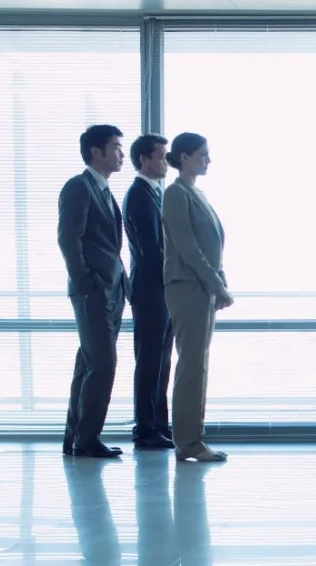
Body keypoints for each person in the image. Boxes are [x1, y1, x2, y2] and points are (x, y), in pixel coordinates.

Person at [57, 124, 129, 458]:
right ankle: (87, 439)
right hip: (94, 291)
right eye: (116, 147)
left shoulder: (103, 190)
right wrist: (86, 283)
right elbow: (68, 238)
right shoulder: (79, 187)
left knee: (88, 364)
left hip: (112, 291)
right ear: (95, 152)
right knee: (102, 365)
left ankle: (76, 438)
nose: (121, 154)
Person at [162, 132, 232, 462]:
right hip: (187, 285)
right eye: (203, 154)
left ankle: (191, 439)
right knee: (192, 365)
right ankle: (188, 441)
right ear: (185, 157)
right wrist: (215, 284)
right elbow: (187, 246)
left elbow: (210, 244)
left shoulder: (195, 193)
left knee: (198, 363)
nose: (208, 160)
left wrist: (219, 280)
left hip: (200, 286)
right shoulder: (175, 193)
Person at [123, 133, 175, 450]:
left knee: (161, 361)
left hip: (159, 289)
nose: (166, 162)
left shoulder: (153, 193)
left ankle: (158, 425)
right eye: (161, 156)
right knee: (150, 361)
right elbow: (151, 250)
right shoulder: (140, 195)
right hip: (150, 290)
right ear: (144, 159)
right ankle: (145, 429)